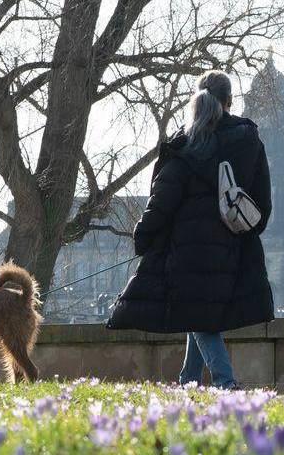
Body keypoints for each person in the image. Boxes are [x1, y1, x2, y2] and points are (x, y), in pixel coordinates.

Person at [108, 71, 275, 388]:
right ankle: (188, 382)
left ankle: (226, 383)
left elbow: (162, 201)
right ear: (230, 102)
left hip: (189, 248)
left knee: (200, 314)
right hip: (233, 247)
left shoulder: (185, 146)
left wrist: (143, 236)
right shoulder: (249, 142)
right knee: (201, 312)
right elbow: (261, 205)